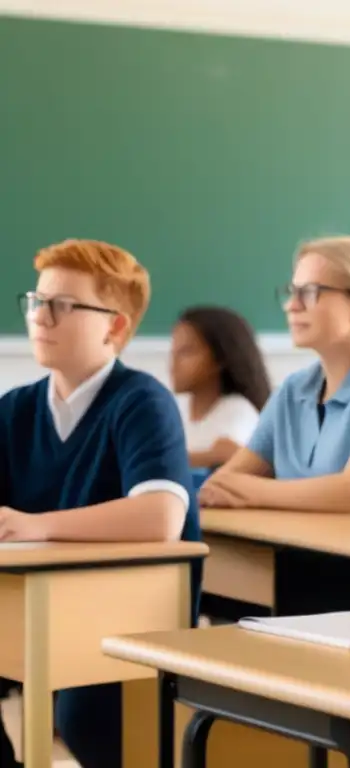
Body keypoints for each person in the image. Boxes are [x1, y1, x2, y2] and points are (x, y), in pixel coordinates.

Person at [0, 239, 202, 768]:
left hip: (123, 616)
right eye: (35, 300)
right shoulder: (16, 409)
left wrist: (35, 526)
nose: (40, 317)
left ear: (114, 326)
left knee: (88, 721)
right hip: (31, 600)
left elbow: (161, 517)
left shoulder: (141, 401)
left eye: (62, 305)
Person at [198, 236, 350, 523]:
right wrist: (245, 489)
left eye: (310, 292)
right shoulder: (292, 390)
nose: (291, 306)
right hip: (302, 551)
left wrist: (253, 491)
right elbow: (221, 486)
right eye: (292, 292)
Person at [170, 306, 271, 469]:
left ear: (219, 359)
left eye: (186, 352)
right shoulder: (175, 408)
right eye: (173, 352)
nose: (173, 364)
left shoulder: (238, 412)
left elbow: (232, 456)